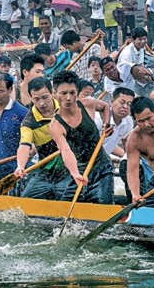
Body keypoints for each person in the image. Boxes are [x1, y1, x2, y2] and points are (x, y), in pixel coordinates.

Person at [38, 71, 113, 203]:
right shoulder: (55, 126)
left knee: (102, 205)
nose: (68, 98)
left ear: (77, 92)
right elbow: (65, 150)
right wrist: (75, 173)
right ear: (54, 94)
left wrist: (107, 124)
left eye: (72, 93)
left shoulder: (87, 104)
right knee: (69, 207)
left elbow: (105, 107)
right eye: (63, 93)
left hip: (102, 167)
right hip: (79, 170)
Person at [13, 77, 62, 195]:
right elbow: (24, 147)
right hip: (47, 169)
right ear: (31, 98)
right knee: (26, 199)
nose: (42, 103)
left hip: (72, 165)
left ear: (52, 93)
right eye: (37, 99)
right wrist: (20, 166)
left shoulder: (65, 106)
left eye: (45, 97)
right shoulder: (29, 122)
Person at [94, 86, 134, 158]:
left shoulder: (128, 122)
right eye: (122, 102)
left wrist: (127, 158)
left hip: (101, 160)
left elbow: (109, 144)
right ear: (112, 102)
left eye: (129, 104)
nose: (125, 106)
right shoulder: (98, 119)